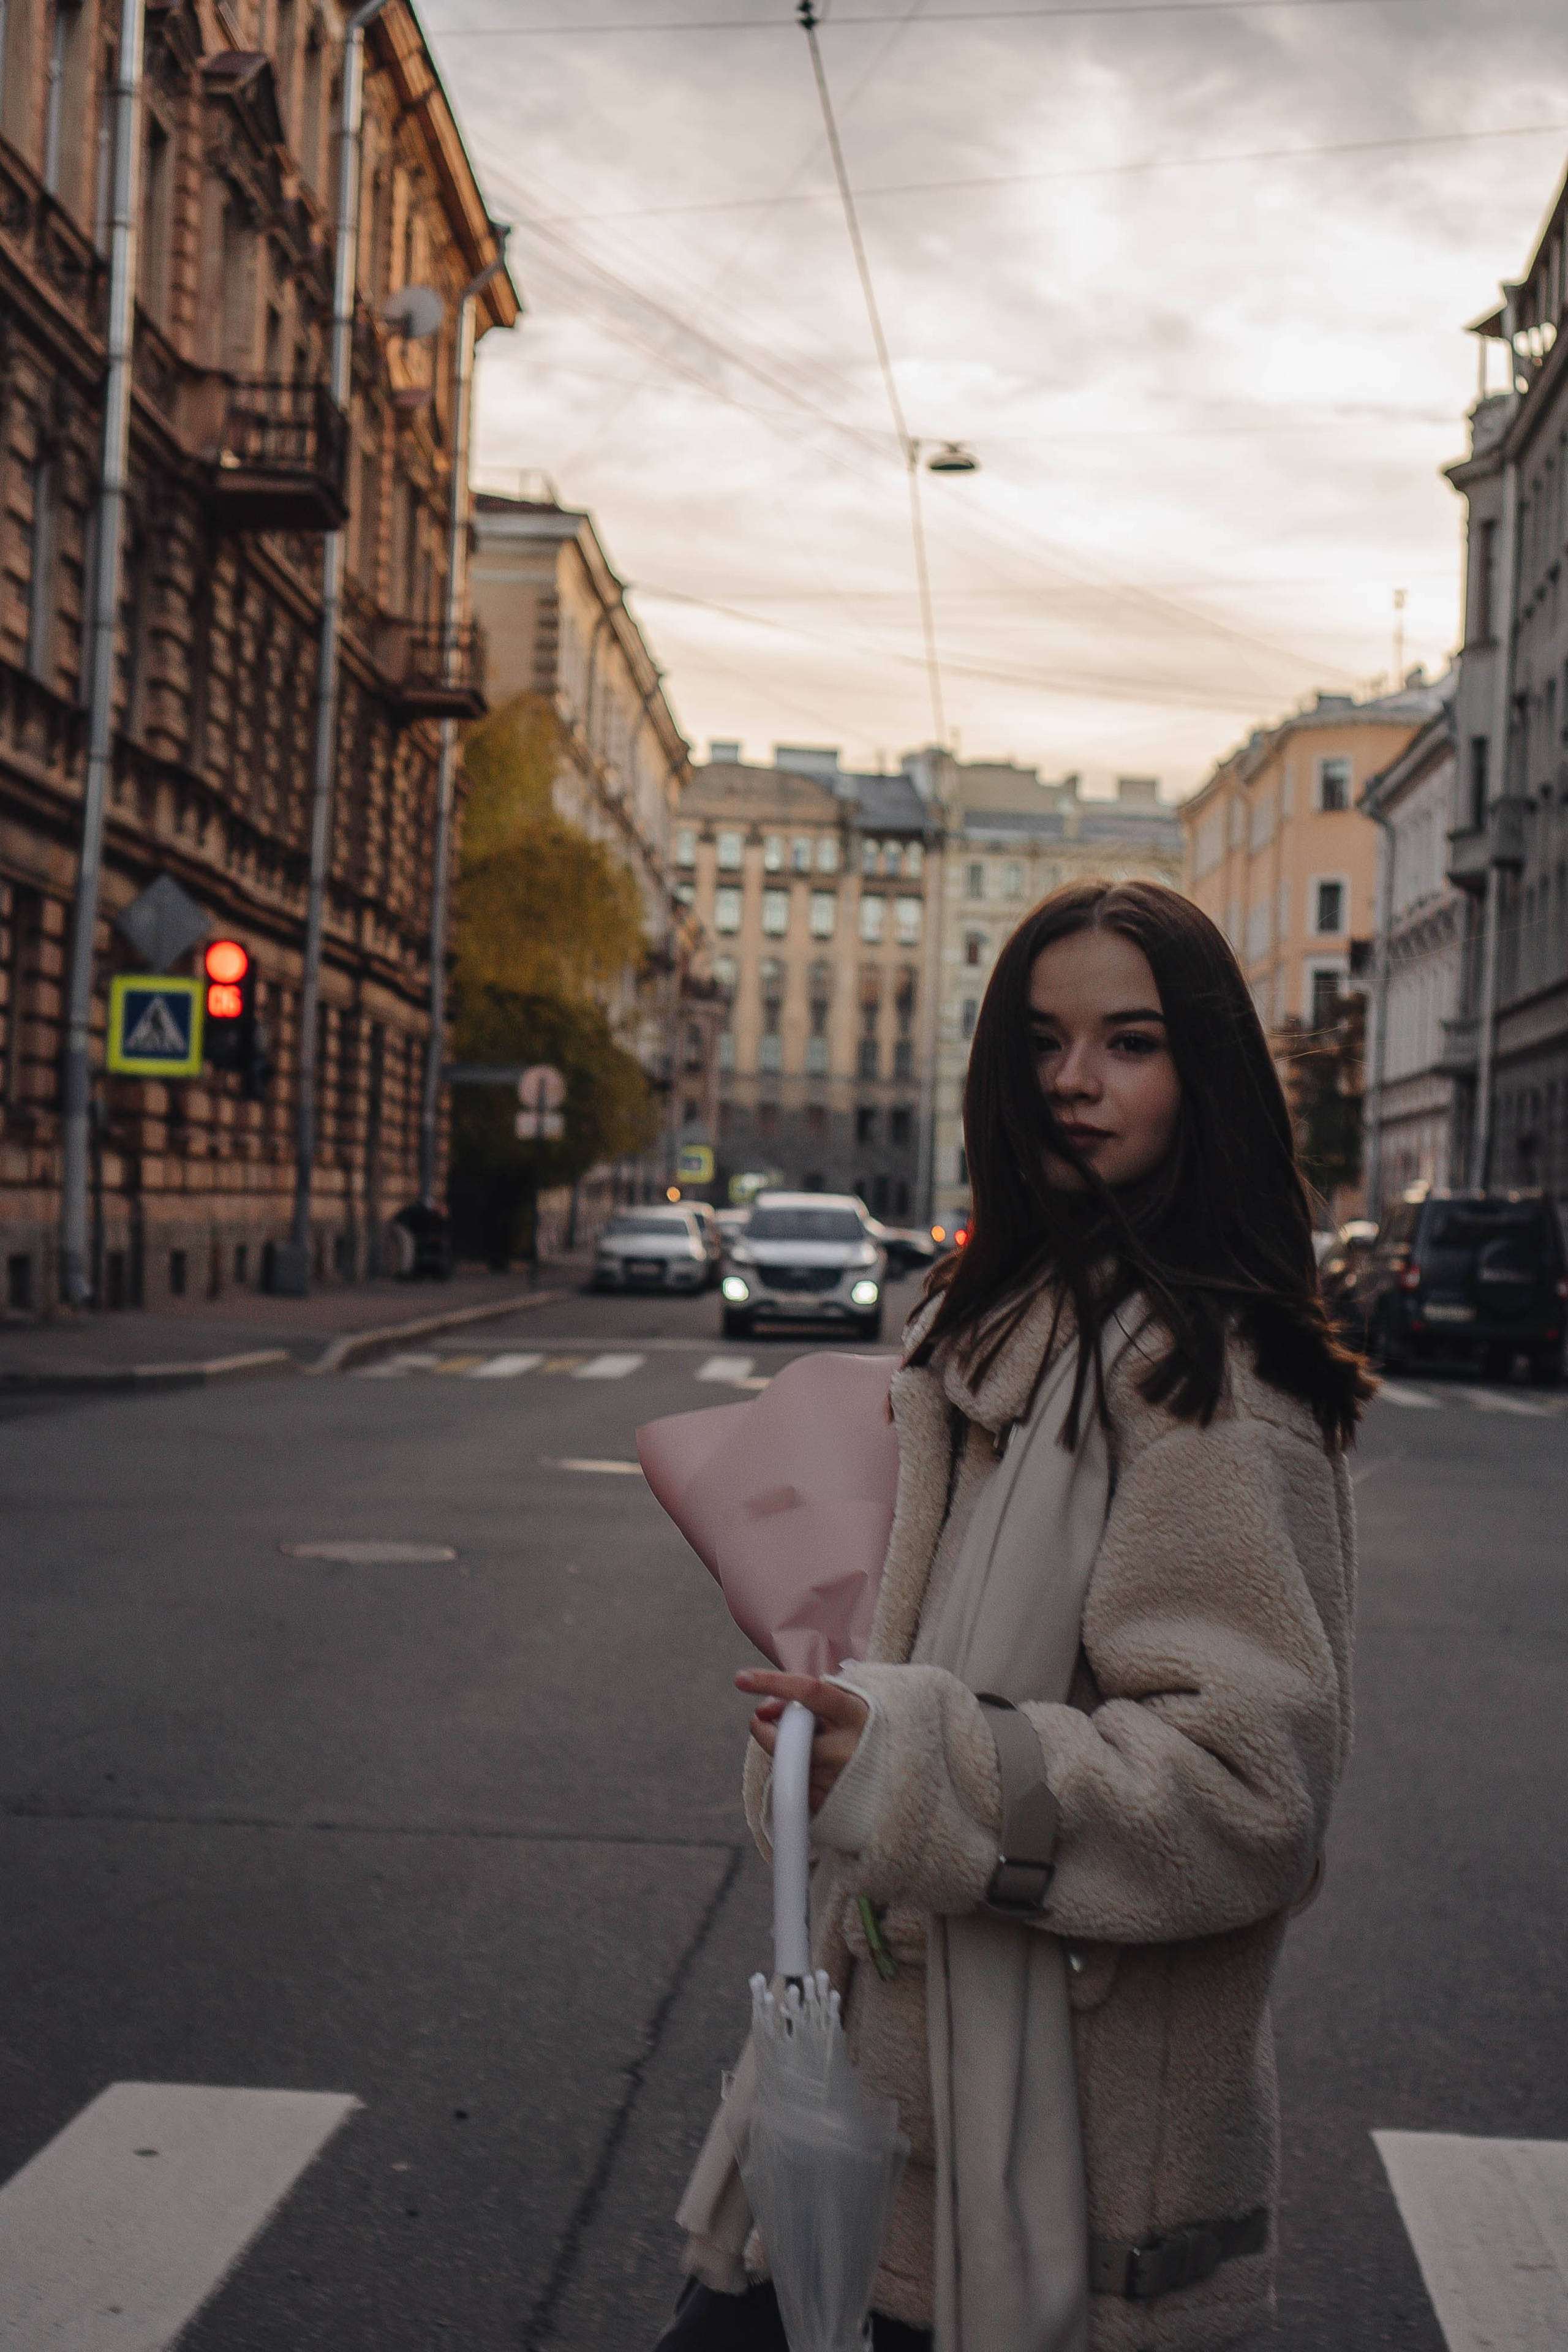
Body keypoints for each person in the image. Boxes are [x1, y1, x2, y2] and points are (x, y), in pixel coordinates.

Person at [660, 880, 1368, 2352]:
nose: (1070, 1080)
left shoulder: (1201, 1381)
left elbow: (1250, 1790)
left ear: (1207, 1073)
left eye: (1128, 1042)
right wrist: (836, 1734)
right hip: (883, 2116)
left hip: (1068, 2170)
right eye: (1041, 1041)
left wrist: (909, 1765)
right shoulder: (991, 1325)